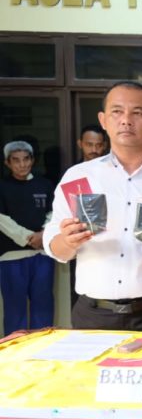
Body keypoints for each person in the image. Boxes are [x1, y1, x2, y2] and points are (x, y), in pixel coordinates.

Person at [43, 80, 142, 331]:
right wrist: (67, 241)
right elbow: (56, 247)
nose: (126, 120)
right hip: (93, 315)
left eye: (138, 113)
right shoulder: (78, 178)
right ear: (103, 120)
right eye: (117, 112)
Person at [0, 141, 55, 334]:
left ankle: (43, 354)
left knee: (44, 307)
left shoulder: (45, 184)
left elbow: (53, 213)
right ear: (8, 163)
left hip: (42, 254)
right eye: (16, 160)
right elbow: (2, 219)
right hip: (11, 256)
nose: (22, 165)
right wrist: (27, 237)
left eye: (26, 159)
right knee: (15, 310)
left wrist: (43, 235)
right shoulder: (3, 186)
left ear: (32, 160)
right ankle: (16, 356)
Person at [70, 125, 109, 308]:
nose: (94, 150)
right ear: (80, 144)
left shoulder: (115, 174)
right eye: (89, 144)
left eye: (98, 145)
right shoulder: (73, 174)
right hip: (83, 247)